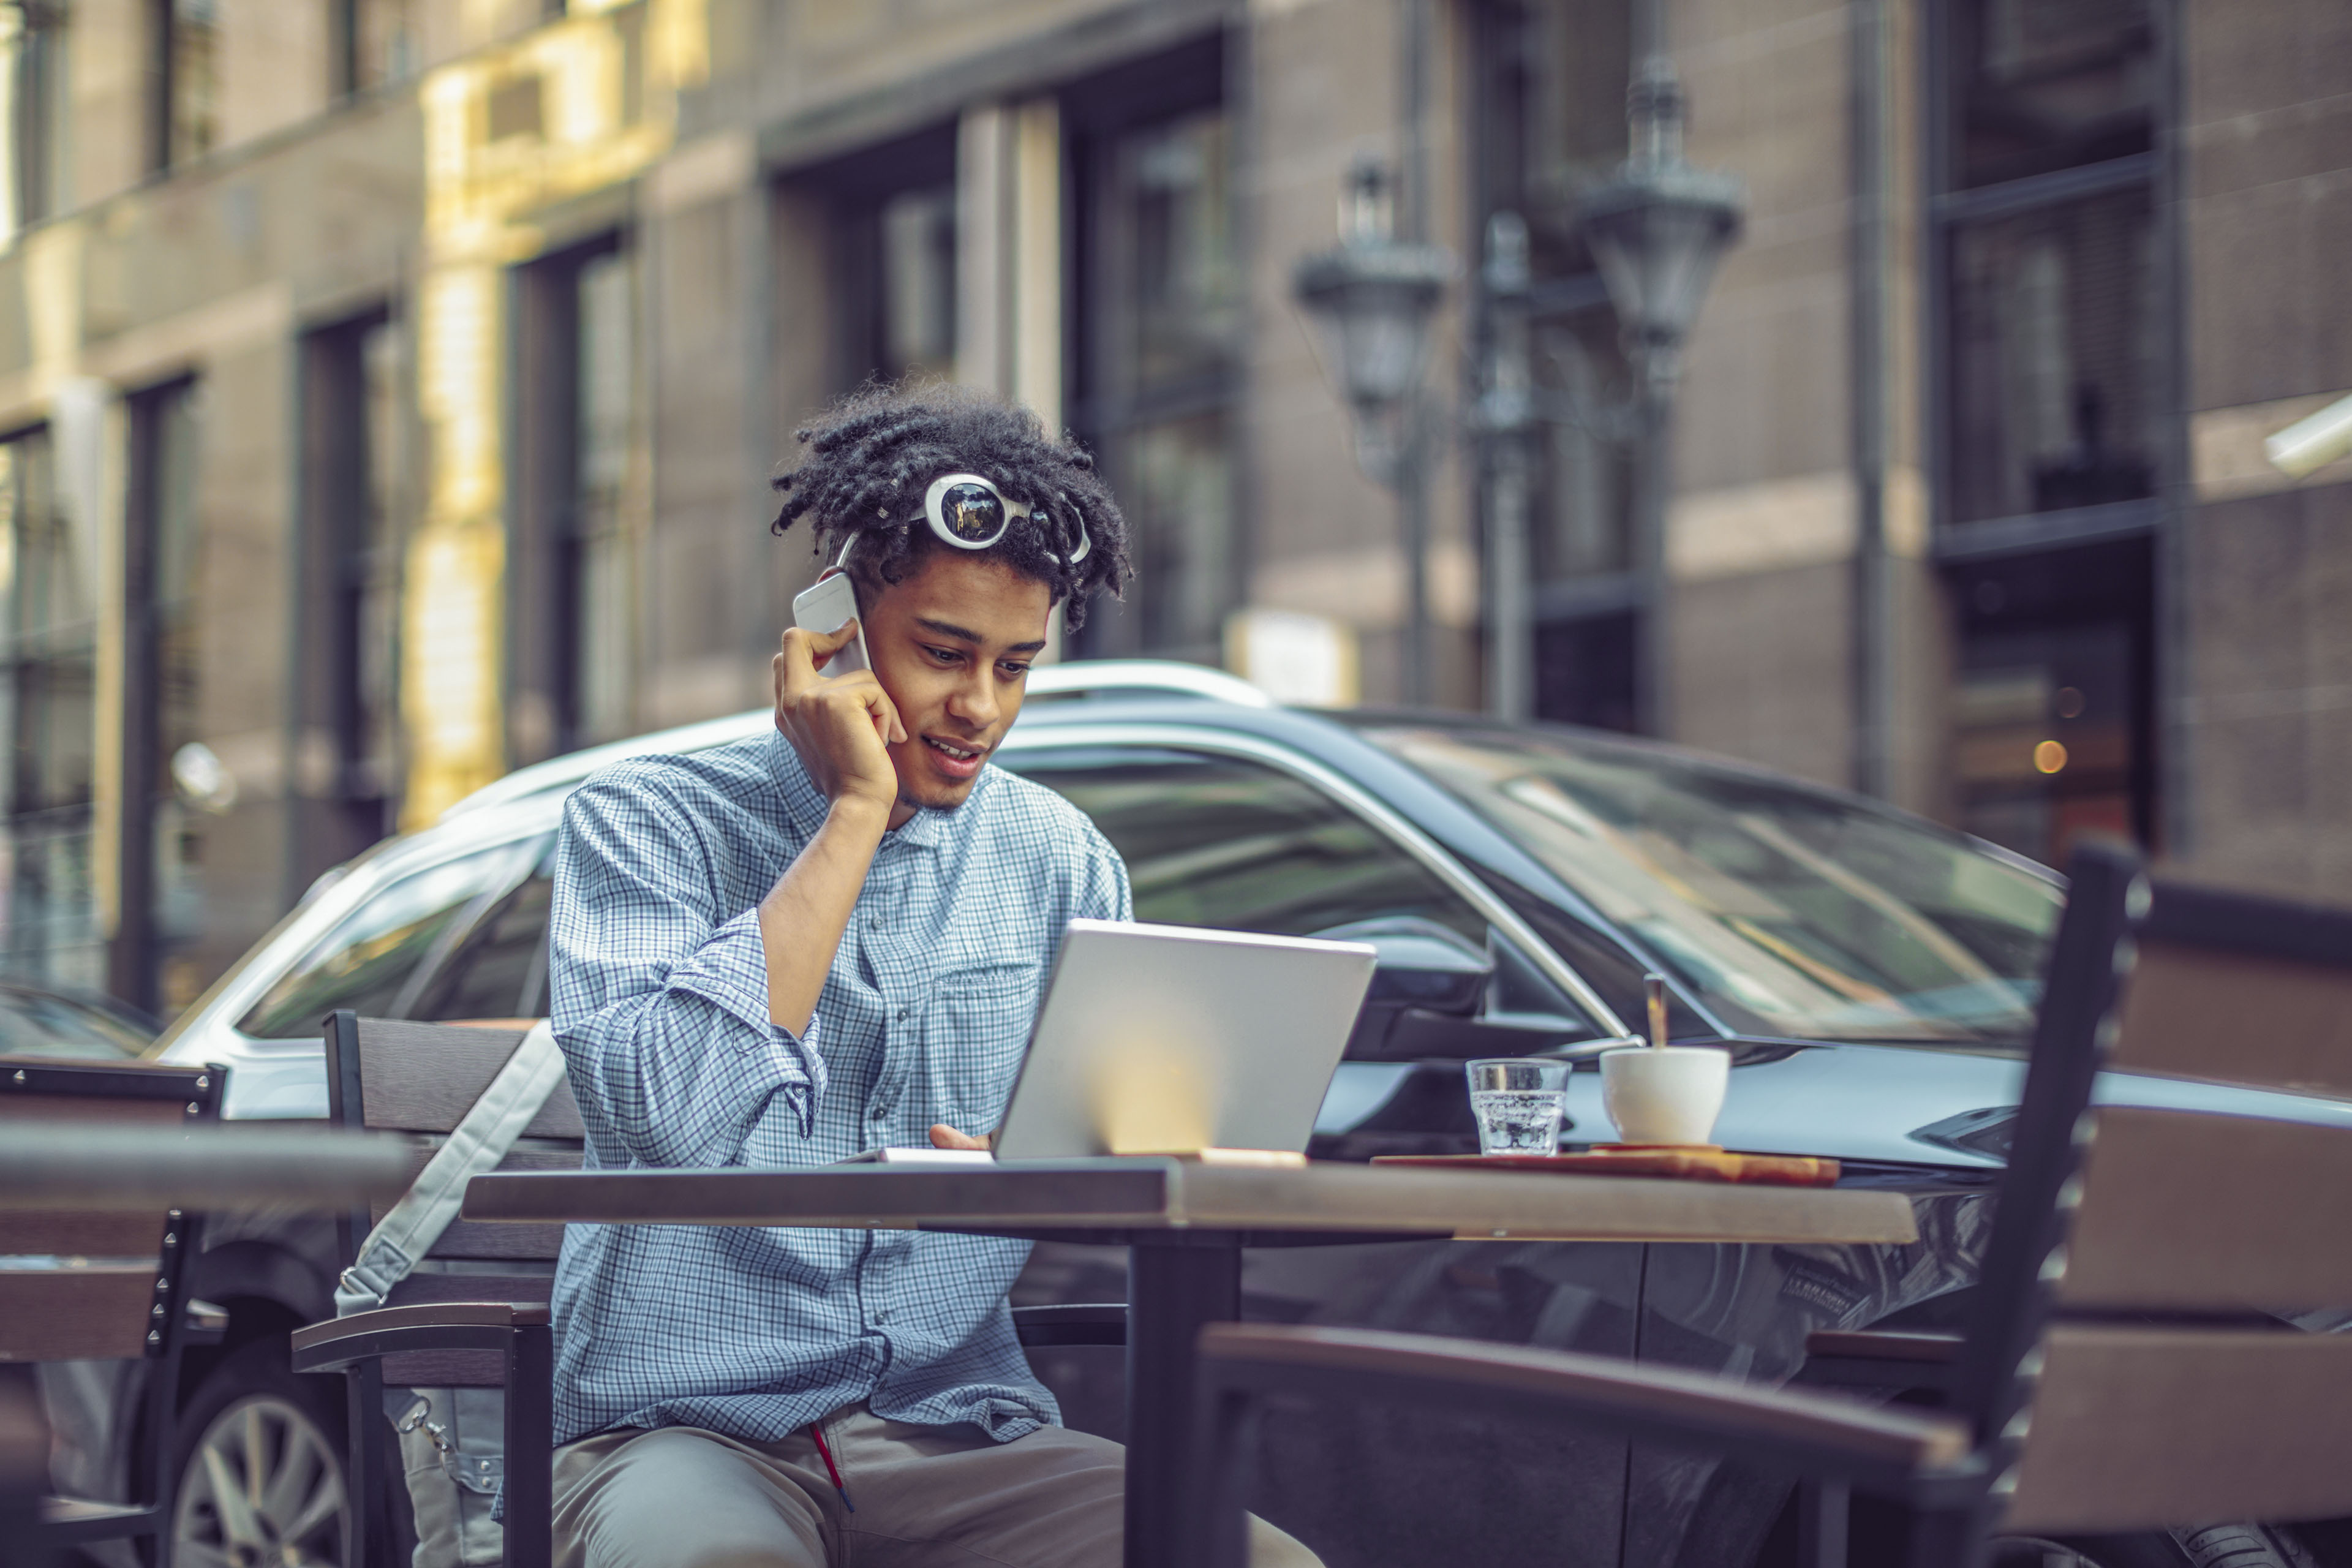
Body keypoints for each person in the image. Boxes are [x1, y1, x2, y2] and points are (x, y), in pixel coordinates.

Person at [543, 385, 1319, 1568]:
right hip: (683, 1434)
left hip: (957, 1434)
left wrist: (1127, 1164)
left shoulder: (1062, 862)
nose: (981, 709)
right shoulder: (647, 822)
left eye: (1016, 666)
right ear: (834, 635)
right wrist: (856, 808)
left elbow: (1124, 1166)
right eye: (945, 656)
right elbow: (673, 1120)